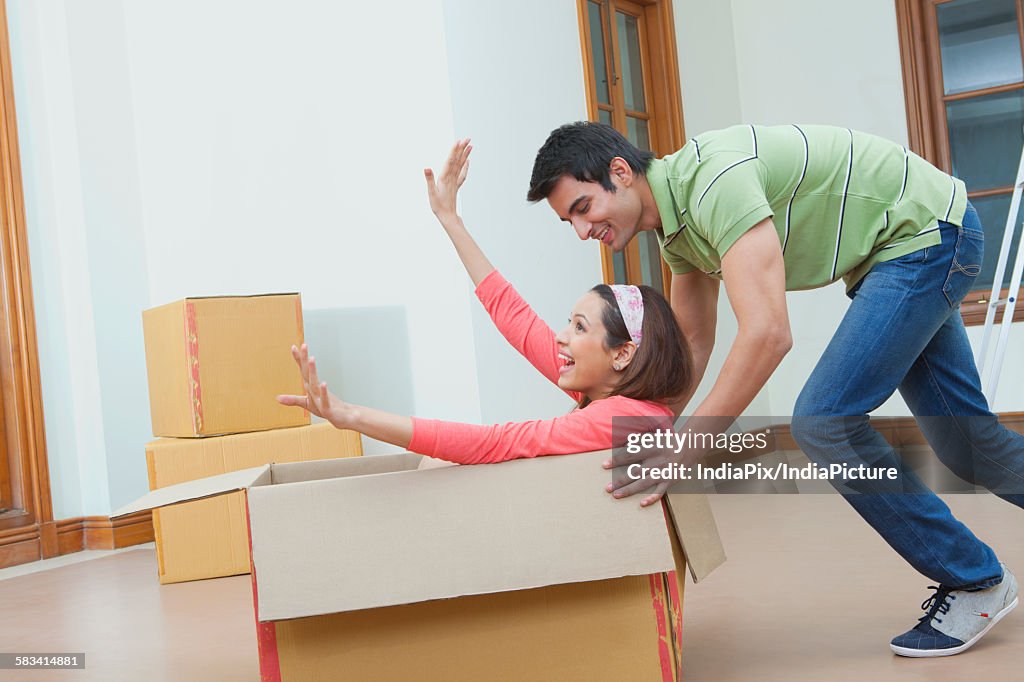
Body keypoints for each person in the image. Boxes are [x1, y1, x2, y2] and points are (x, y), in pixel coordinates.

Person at [527, 121, 1022, 657]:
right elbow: (691, 344)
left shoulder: (714, 183)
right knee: (968, 445)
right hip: (914, 241)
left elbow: (767, 333)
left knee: (824, 421)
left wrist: (684, 451)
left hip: (924, 237)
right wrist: (647, 428)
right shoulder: (679, 232)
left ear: (619, 173)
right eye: (566, 222)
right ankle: (976, 579)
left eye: (582, 207)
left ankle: (975, 581)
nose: (581, 231)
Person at [277, 139, 691, 471]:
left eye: (580, 327)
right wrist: (451, 220)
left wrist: (352, 416)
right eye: (570, 323)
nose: (561, 337)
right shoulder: (607, 391)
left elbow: (493, 443)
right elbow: (513, 317)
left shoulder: (623, 418)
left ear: (622, 353)